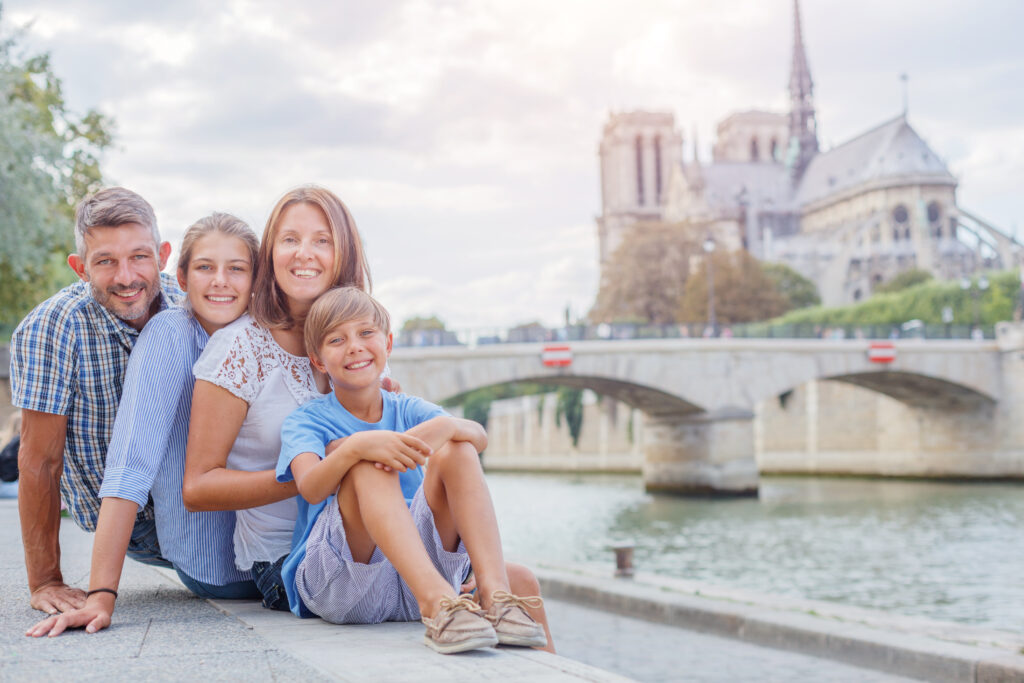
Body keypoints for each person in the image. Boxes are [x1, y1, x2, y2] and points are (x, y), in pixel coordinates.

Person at [277, 287, 552, 654]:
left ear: (387, 343)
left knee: (458, 448)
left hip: (416, 576)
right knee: (367, 467)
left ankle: (496, 598)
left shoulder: (406, 407)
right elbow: (310, 487)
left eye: (365, 333)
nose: (355, 346)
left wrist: (448, 427)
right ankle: (439, 607)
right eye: (337, 340)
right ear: (318, 360)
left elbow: (478, 436)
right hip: (345, 582)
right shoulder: (306, 420)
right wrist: (358, 447)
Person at [26, 213, 262, 638]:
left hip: (273, 527)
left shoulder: (261, 332)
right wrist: (95, 592)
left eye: (237, 269)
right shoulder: (168, 332)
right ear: (184, 277)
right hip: (209, 550)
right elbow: (120, 466)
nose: (221, 281)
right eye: (206, 268)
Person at [183, 185, 371, 611]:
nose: (304, 253)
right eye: (290, 239)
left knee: (515, 582)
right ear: (270, 253)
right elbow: (197, 488)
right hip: (288, 558)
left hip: (369, 533)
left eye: (321, 240)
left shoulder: (359, 342)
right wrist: (317, 472)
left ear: (344, 253)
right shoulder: (239, 349)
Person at [9, 187, 180, 615]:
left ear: (162, 254)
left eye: (139, 257)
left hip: (203, 498)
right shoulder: (51, 329)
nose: (126, 277)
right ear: (80, 268)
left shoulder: (191, 304)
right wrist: (45, 581)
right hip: (138, 526)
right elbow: (38, 463)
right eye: (105, 261)